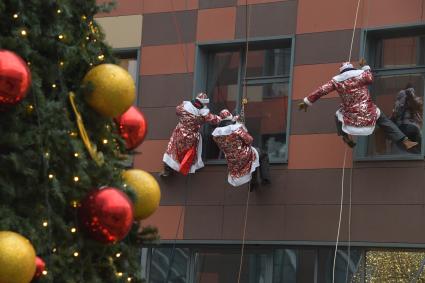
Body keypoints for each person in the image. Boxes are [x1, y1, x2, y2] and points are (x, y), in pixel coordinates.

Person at [298, 60, 418, 150]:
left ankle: (345, 136)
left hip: (351, 116)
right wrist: (365, 66)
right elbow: (370, 78)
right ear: (352, 69)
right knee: (385, 122)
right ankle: (404, 140)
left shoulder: (336, 81)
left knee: (337, 115)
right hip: (369, 112)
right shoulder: (362, 74)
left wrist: (307, 102)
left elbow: (321, 90)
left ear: (341, 71)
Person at [160, 93, 221, 177]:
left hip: (179, 132)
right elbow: (214, 120)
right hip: (191, 136)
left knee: (172, 150)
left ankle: (167, 169)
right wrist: (223, 119)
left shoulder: (184, 105)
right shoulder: (203, 112)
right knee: (189, 153)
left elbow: (177, 111)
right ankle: (187, 168)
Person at [212, 109, 270, 190]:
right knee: (262, 154)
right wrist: (241, 126)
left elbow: (222, 147)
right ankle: (265, 179)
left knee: (255, 161)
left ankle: (253, 184)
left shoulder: (216, 135)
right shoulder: (236, 129)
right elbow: (249, 140)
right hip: (243, 155)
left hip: (231, 160)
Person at [391, 85, 423, 153]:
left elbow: (394, 116)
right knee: (419, 150)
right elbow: (416, 105)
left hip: (401, 130)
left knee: (405, 149)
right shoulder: (410, 98)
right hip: (411, 127)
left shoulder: (397, 104)